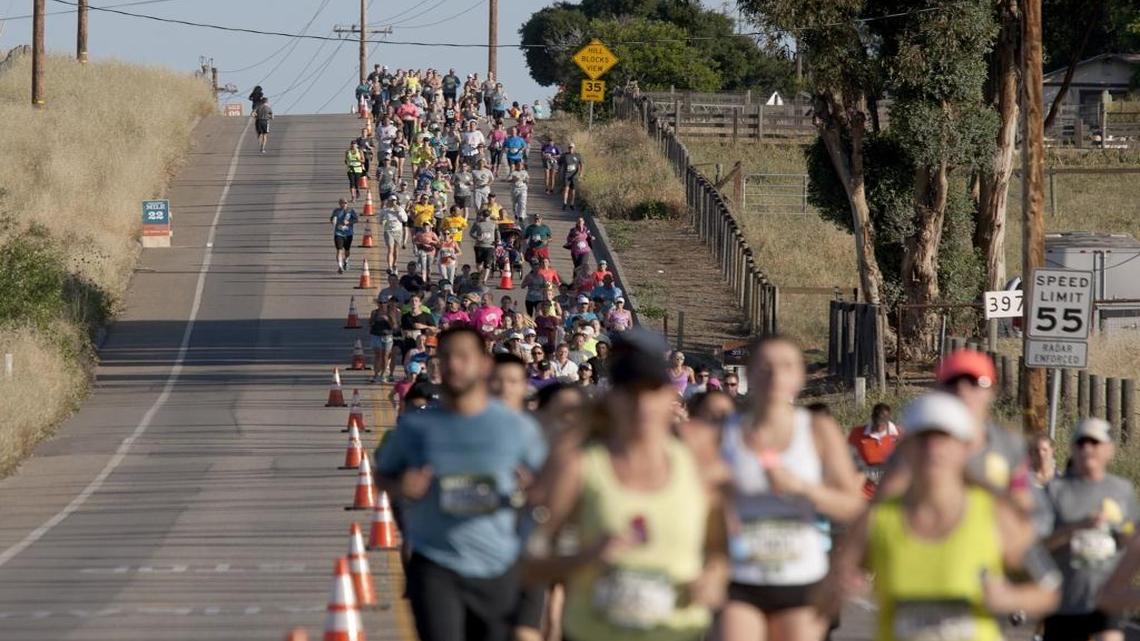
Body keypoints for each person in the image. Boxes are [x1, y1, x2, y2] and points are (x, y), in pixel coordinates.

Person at [522, 328, 725, 641]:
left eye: (652, 390)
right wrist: (585, 559)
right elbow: (528, 565)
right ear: (612, 399)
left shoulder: (699, 465)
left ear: (670, 396)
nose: (641, 404)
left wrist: (714, 577)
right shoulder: (579, 465)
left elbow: (721, 552)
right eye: (630, 392)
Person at [826, 392, 1061, 641]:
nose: (933, 448)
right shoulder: (877, 518)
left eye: (944, 438)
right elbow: (827, 589)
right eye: (923, 439)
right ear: (905, 448)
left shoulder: (994, 514)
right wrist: (841, 586)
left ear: (965, 448)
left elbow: (1050, 589)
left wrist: (1009, 598)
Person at [376, 327, 547, 641]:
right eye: (446, 357)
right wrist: (401, 486)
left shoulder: (517, 428)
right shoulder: (416, 426)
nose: (454, 365)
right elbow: (382, 475)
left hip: (498, 565)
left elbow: (550, 486)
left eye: (463, 357)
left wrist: (535, 492)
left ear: (484, 364)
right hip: (435, 563)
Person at [707, 335, 864, 641]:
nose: (775, 376)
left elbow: (854, 507)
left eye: (787, 366)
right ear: (749, 373)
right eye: (765, 367)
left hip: (801, 577)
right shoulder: (725, 432)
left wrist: (804, 489)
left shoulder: (817, 430)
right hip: (741, 576)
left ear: (800, 376)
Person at [1041, 418, 1137, 641]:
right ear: (1072, 449)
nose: (1087, 448)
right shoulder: (1056, 490)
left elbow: (1133, 539)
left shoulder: (1121, 490)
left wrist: (1124, 535)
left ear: (1109, 450)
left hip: (1106, 598)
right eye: (1081, 442)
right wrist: (1078, 527)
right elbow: (1040, 545)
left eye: (1094, 442)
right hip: (1064, 601)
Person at [848, 403, 901, 500]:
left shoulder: (900, 435)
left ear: (889, 419)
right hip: (864, 493)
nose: (879, 427)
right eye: (876, 423)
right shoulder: (857, 433)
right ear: (872, 417)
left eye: (882, 423)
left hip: (891, 493)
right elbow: (847, 458)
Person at [370, 297, 400, 383]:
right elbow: (370, 323)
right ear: (378, 304)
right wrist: (375, 320)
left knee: (385, 356)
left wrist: (388, 319)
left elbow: (395, 327)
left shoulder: (391, 313)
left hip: (387, 336)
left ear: (387, 303)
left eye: (384, 302)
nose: (382, 304)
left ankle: (383, 374)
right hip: (376, 335)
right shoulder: (374, 312)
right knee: (378, 355)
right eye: (380, 303)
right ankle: (376, 374)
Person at [380, 195, 409, 274]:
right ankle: (389, 267)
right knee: (390, 248)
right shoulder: (384, 210)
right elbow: (380, 221)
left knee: (396, 249)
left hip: (398, 231)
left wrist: (398, 212)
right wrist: (385, 223)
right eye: (392, 201)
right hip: (388, 231)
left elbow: (405, 219)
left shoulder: (400, 209)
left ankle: (394, 264)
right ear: (389, 201)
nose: (393, 202)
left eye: (394, 200)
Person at [330, 198, 358, 274]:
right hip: (338, 233)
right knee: (339, 250)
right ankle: (340, 266)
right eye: (342, 203)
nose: (344, 204)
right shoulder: (336, 211)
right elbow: (332, 218)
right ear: (339, 203)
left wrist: (348, 222)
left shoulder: (351, 211)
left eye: (345, 203)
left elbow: (356, 220)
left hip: (348, 234)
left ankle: (346, 261)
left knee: (347, 250)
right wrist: (333, 220)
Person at [471, 210, 500, 284]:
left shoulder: (494, 223)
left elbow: (497, 232)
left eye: (487, 216)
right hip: (479, 246)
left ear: (489, 216)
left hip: (490, 246)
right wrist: (477, 237)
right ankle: (481, 273)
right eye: (484, 216)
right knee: (479, 263)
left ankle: (484, 280)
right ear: (482, 215)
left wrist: (498, 240)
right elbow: (471, 233)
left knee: (487, 264)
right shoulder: (477, 223)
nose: (485, 217)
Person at [559, 142, 583, 210]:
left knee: (573, 190)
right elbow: (560, 163)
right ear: (568, 148)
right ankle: (564, 203)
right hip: (566, 175)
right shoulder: (565, 155)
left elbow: (581, 165)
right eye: (569, 147)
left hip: (574, 175)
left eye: (572, 147)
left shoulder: (578, 155)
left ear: (574, 148)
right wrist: (560, 171)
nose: (570, 149)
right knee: (566, 189)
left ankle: (572, 204)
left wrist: (581, 173)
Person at [508, 161, 529, 225]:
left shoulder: (525, 172)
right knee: (515, 203)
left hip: (523, 188)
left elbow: (527, 179)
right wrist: (513, 179)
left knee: (522, 202)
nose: (520, 166)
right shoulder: (513, 172)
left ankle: (521, 216)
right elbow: (508, 179)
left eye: (521, 165)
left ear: (522, 166)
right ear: (516, 166)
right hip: (515, 189)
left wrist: (526, 181)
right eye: (518, 165)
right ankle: (516, 214)